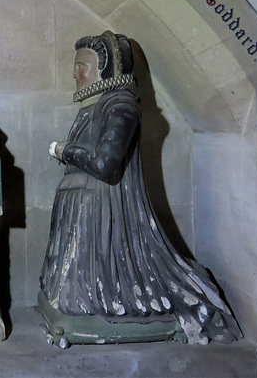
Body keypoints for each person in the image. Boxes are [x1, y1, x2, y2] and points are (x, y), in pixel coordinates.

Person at [39, 31, 242, 345]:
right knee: (72, 294)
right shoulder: (94, 108)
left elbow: (106, 166)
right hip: (79, 208)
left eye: (83, 65)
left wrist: (65, 150)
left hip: (102, 208)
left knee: (104, 288)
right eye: (77, 66)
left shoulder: (121, 107)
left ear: (106, 71)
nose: (76, 73)